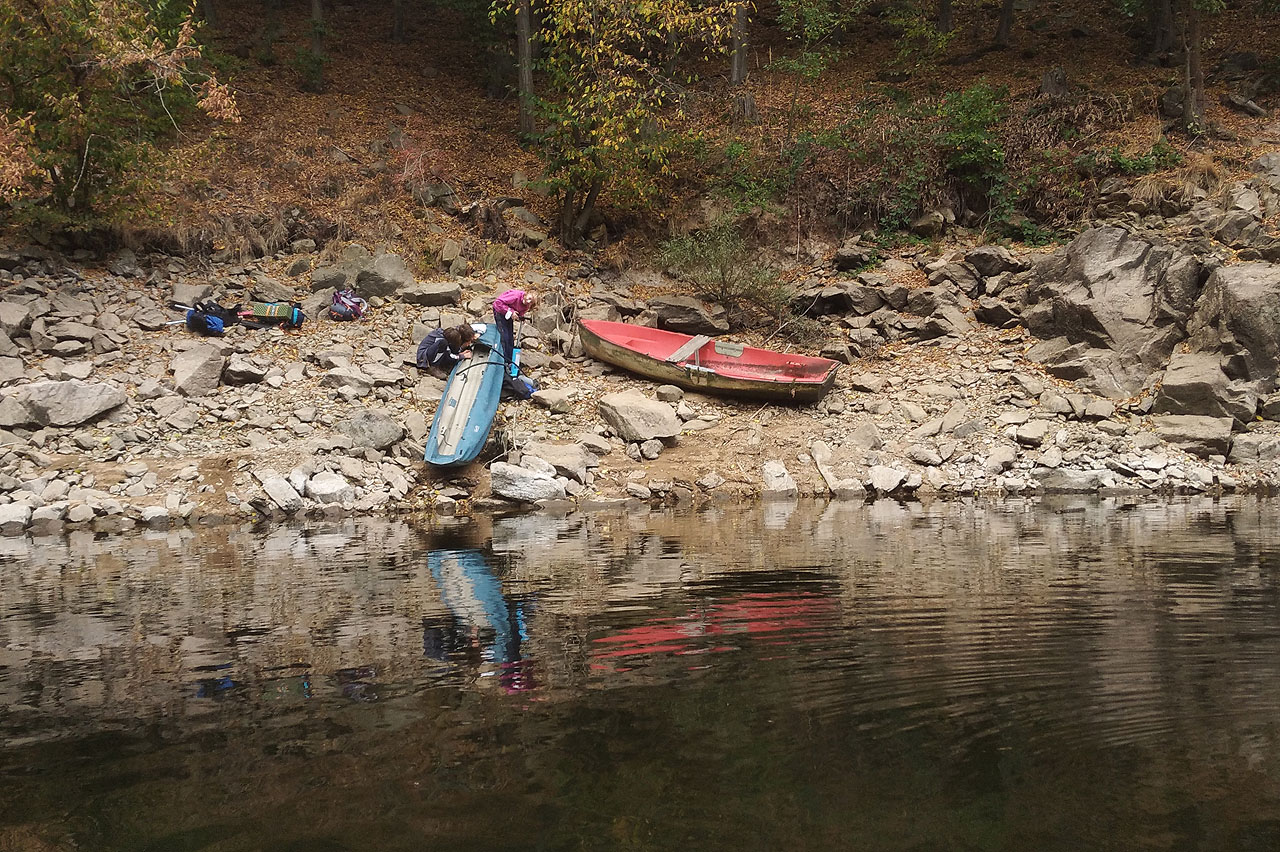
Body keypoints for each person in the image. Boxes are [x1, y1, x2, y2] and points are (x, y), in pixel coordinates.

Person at [491, 289, 539, 368]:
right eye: (529, 298)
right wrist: (511, 311)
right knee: (504, 336)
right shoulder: (515, 296)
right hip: (499, 311)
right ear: (527, 294)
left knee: (510, 337)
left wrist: (521, 317)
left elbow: (521, 312)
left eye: (531, 302)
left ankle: (510, 359)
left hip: (509, 315)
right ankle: (503, 360)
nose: (528, 301)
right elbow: (498, 302)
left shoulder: (527, 306)